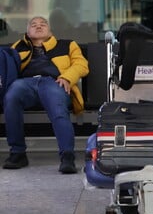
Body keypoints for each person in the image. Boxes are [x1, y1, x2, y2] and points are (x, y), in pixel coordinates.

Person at [3, 16, 89, 173]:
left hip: (54, 82)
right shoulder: (17, 47)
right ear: (27, 32)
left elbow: (81, 65)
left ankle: (67, 156)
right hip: (25, 84)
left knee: (57, 107)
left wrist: (66, 77)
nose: (38, 26)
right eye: (33, 25)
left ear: (50, 31)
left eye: (43, 24)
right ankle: (17, 153)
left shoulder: (67, 45)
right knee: (11, 97)